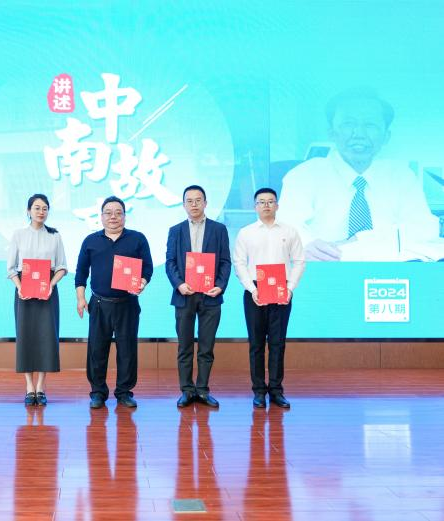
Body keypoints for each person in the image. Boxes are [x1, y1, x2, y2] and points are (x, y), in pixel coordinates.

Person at [277, 88, 439, 261]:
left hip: (386, 274)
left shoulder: (401, 177)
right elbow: (284, 229)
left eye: (370, 125)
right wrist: (305, 246)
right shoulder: (304, 175)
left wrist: (358, 242)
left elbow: (424, 229)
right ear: (331, 132)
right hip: (324, 270)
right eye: (348, 124)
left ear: (386, 136)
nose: (359, 134)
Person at [75, 195, 153, 409]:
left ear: (125, 216)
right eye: (108, 213)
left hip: (127, 303)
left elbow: (147, 268)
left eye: (118, 213)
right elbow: (81, 272)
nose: (113, 217)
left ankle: (124, 392)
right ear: (101, 217)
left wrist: (142, 282)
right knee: (97, 350)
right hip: (99, 304)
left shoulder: (137, 239)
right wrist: (81, 298)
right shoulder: (90, 241)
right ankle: (97, 392)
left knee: (127, 350)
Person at [233, 188, 305, 409]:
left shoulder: (290, 231)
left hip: (282, 290)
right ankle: (258, 391)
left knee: (277, 343)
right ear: (255, 206)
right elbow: (239, 263)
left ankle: (276, 390)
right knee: (256, 344)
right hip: (255, 291)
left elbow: (299, 261)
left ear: (277, 205)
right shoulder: (246, 233)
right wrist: (251, 288)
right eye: (261, 202)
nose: (266, 205)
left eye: (270, 201)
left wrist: (290, 288)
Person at [165, 185, 231, 408]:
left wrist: (220, 285)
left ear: (205, 203)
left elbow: (225, 262)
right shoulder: (175, 230)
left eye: (198, 200)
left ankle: (202, 390)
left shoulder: (219, 229)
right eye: (189, 201)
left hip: (210, 295)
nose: (194, 204)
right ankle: (186, 390)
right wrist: (179, 284)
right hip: (185, 295)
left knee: (206, 346)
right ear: (184, 204)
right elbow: (170, 262)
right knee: (184, 346)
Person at [7, 194, 67, 406]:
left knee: (46, 337)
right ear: (28, 211)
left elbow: (62, 266)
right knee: (26, 336)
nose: (41, 212)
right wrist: (20, 286)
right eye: (37, 208)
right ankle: (28, 387)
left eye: (45, 208)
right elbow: (11, 268)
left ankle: (40, 387)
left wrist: (50, 284)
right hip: (24, 290)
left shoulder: (55, 236)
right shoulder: (18, 234)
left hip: (47, 290)